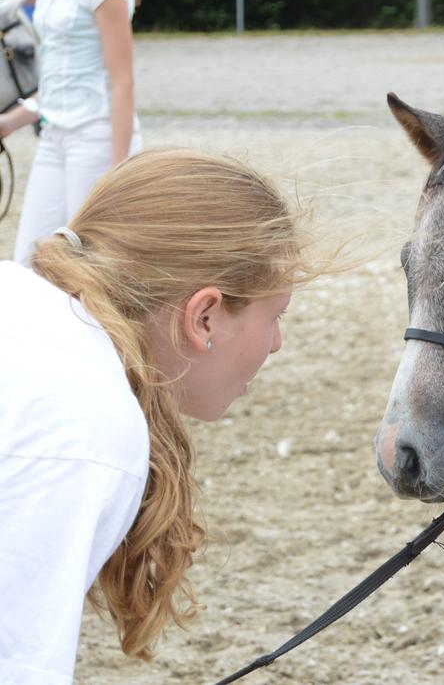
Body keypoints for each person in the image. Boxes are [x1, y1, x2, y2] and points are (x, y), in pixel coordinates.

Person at [0, 148, 322, 683]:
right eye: (275, 315)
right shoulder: (84, 430)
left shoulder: (21, 302)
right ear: (203, 317)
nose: (277, 343)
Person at [1, 0, 140, 264]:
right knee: (29, 260)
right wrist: (7, 124)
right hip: (55, 139)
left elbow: (122, 81)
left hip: (95, 137)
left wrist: (117, 173)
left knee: (90, 263)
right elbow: (59, 82)